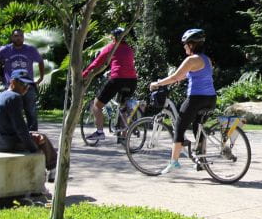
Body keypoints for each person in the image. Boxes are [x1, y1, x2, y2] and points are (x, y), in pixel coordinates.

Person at [148, 28, 216, 175]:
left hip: (196, 99)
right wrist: (182, 78)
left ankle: (174, 162)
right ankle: (201, 160)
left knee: (179, 126)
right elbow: (196, 74)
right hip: (210, 99)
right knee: (198, 126)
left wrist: (158, 83)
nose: (184, 46)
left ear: (192, 45)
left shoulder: (191, 59)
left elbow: (174, 76)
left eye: (186, 44)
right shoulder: (206, 59)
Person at [0, 69, 57, 182]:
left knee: (38, 135)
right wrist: (33, 149)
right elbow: (21, 128)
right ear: (13, 82)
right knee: (41, 139)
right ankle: (53, 169)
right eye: (22, 84)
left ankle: (52, 170)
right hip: (5, 143)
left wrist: (31, 136)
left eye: (28, 85)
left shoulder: (1, 95)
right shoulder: (14, 97)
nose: (26, 88)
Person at [82, 27, 139, 141]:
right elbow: (125, 64)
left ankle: (99, 132)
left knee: (97, 105)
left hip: (117, 79)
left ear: (113, 37)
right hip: (132, 80)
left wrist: (84, 74)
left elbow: (97, 62)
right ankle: (123, 136)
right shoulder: (129, 49)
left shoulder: (111, 47)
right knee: (123, 106)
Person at [0, 29, 45, 131]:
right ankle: (12, 133)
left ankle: (33, 133)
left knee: (31, 110)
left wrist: (41, 77)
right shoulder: (5, 49)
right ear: (12, 37)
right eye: (16, 36)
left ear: (23, 38)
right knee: (12, 109)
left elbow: (40, 61)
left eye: (20, 36)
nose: (18, 38)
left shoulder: (30, 49)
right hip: (11, 85)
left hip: (27, 84)